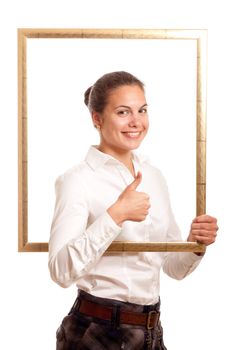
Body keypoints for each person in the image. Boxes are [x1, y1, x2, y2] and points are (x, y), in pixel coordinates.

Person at [48, 71, 218, 350]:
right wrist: (115, 215)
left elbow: (173, 268)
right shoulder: (76, 180)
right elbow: (60, 271)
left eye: (142, 110)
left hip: (150, 331)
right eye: (123, 112)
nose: (136, 121)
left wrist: (195, 244)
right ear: (97, 119)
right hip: (95, 332)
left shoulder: (154, 176)